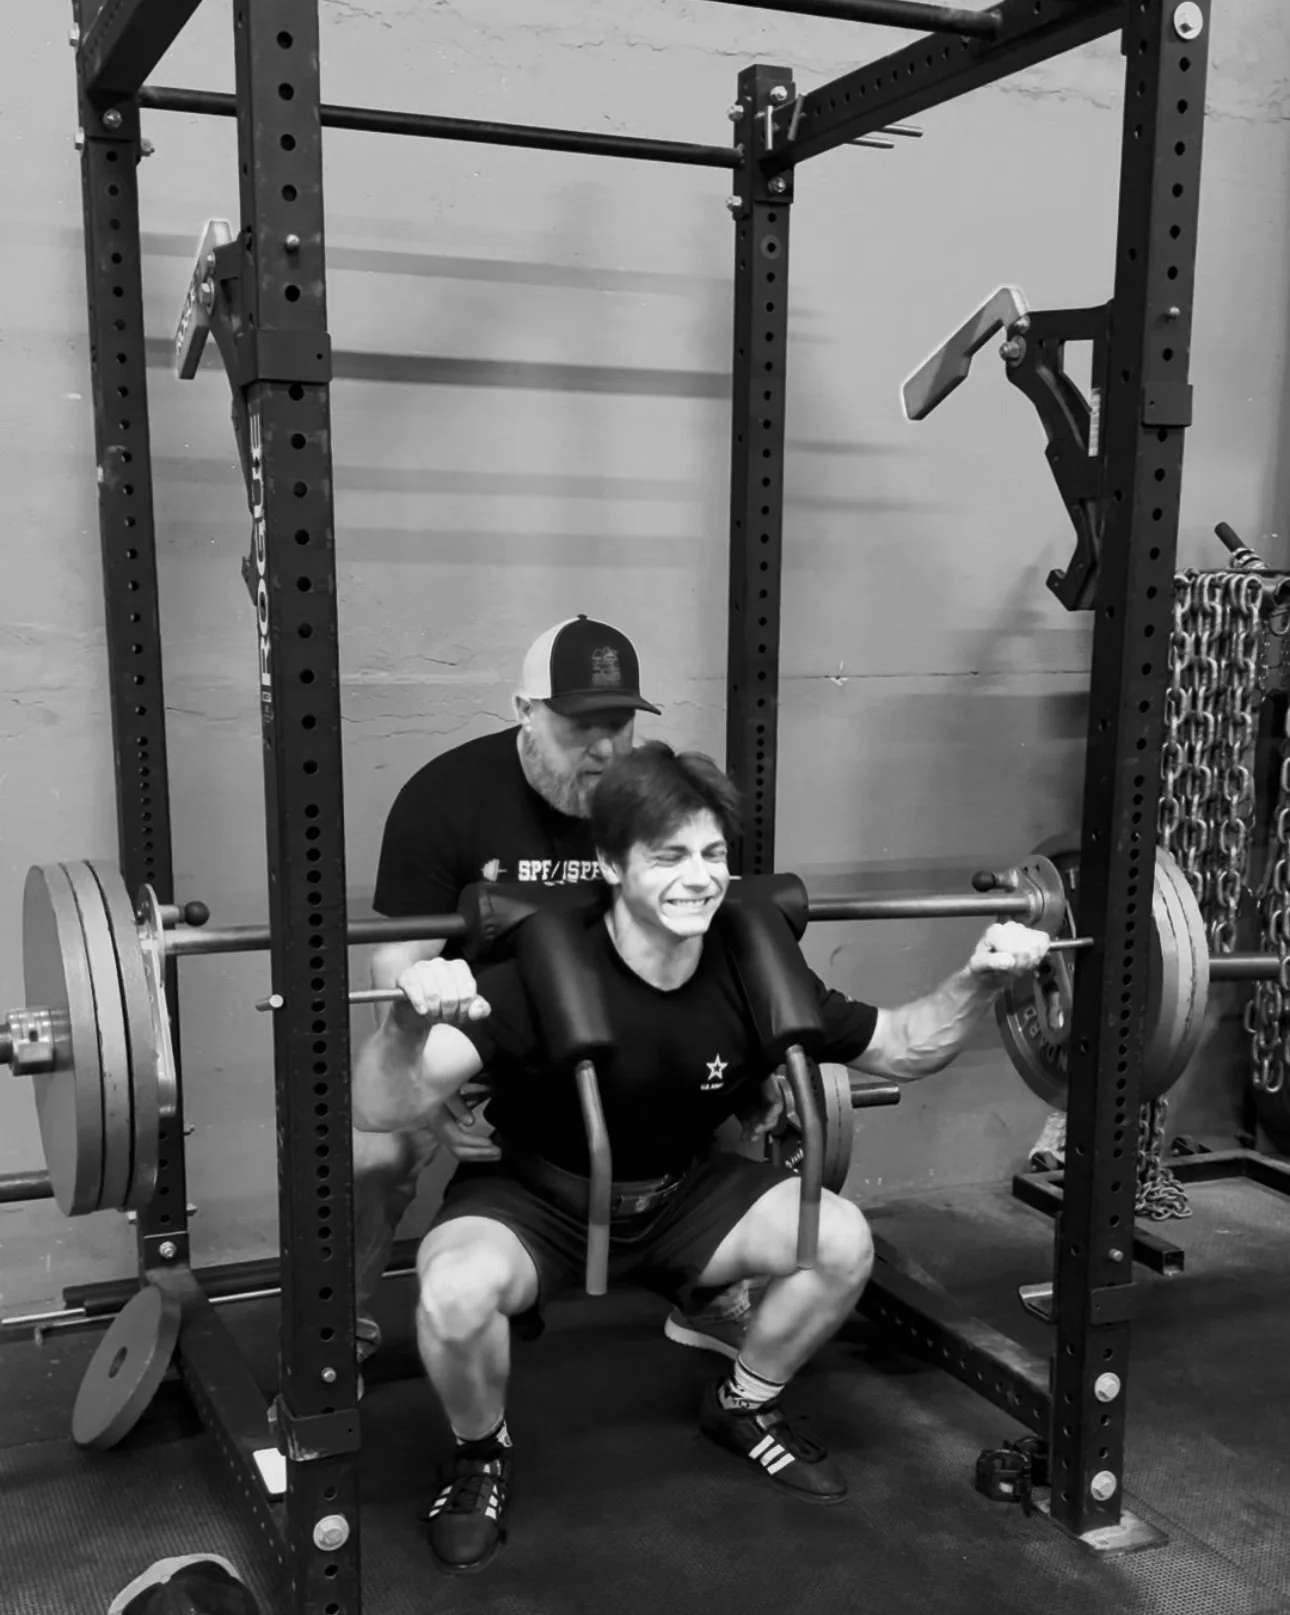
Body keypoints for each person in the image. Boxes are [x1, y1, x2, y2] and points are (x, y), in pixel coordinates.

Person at [352, 743, 1051, 1576]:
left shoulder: (754, 963)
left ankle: (742, 1405)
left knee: (840, 1239)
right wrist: (403, 1021)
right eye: (670, 855)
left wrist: (977, 977)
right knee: (453, 1290)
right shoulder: (535, 971)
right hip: (537, 1199)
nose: (700, 877)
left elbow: (900, 1046)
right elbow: (380, 1107)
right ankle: (480, 1455)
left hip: (683, 1194)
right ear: (611, 863)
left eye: (714, 853)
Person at [353, 615, 755, 1378]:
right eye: (581, 726)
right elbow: (399, 962)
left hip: (621, 1029)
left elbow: (714, 924)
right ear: (524, 711)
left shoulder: (652, 797)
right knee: (376, 1149)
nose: (606, 749)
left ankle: (705, 1296)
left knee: (725, 1112)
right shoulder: (445, 796)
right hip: (482, 1033)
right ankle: (337, 1341)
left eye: (620, 724)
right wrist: (427, 1099)